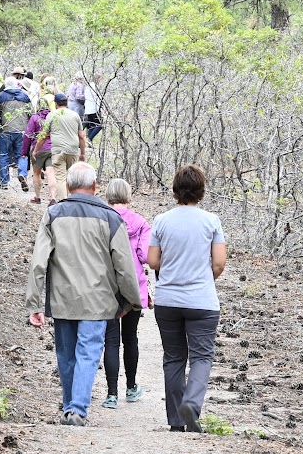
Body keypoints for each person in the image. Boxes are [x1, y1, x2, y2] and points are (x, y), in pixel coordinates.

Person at [24, 162, 143, 426]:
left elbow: (38, 262)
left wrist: (34, 303)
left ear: (68, 186)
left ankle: (71, 408)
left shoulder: (53, 215)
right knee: (88, 352)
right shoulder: (111, 218)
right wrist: (131, 302)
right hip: (98, 301)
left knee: (66, 355)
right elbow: (124, 266)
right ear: (95, 186)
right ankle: (76, 409)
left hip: (62, 299)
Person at [148, 164, 227, 432]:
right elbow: (219, 263)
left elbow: (152, 261)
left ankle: (176, 421)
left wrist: (173, 270)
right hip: (202, 301)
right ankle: (191, 405)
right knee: (202, 357)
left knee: (173, 358)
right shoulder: (211, 221)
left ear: (175, 190)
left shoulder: (161, 220)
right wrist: (202, 278)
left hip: (167, 300)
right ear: (201, 190)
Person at [100, 178, 151, 409]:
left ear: (107, 196)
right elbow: (145, 256)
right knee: (130, 337)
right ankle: (131, 388)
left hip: (106, 286)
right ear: (129, 197)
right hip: (133, 287)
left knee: (111, 340)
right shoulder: (140, 223)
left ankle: (111, 394)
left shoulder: (101, 219)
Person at [0, 74, 32, 190]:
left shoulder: (1, 96)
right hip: (22, 131)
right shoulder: (25, 96)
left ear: (5, 85)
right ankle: (22, 174)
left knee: (3, 155)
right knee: (22, 155)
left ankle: (4, 182)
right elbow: (31, 113)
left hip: (6, 131)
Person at [40, 93, 86, 202]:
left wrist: (36, 149)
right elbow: (81, 136)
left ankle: (63, 202)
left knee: (60, 178)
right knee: (71, 177)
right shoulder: (75, 115)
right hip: (73, 150)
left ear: (56, 104)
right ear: (67, 103)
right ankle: (73, 201)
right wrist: (83, 153)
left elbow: (43, 135)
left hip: (58, 151)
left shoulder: (52, 115)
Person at [23, 95, 53, 206]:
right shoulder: (53, 117)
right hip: (52, 148)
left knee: (36, 173)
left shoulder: (34, 118)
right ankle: (53, 198)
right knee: (51, 173)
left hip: (38, 149)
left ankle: (38, 197)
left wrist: (24, 152)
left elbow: (28, 135)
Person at [83, 75, 104, 143]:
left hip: (88, 109)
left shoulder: (88, 86)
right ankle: (89, 139)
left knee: (92, 126)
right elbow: (97, 99)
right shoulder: (95, 87)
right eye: (100, 80)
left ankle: (88, 142)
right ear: (97, 79)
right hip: (94, 109)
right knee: (100, 125)